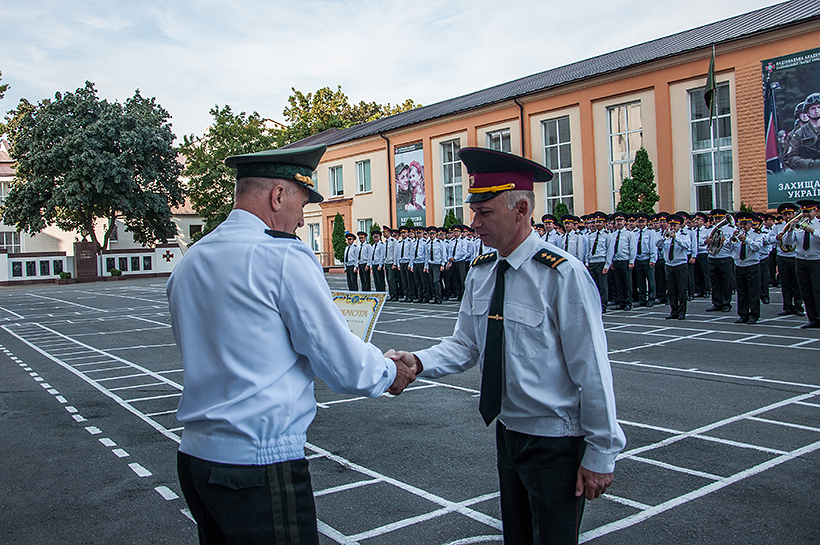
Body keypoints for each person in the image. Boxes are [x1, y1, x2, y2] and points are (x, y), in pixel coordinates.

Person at [167, 144, 416, 545]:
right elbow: (341, 363)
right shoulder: (280, 256)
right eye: (301, 204)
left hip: (196, 458)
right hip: (258, 463)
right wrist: (390, 371)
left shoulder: (192, 260)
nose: (302, 220)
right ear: (278, 195)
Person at [388, 147, 625, 545]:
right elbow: (465, 344)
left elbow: (593, 369)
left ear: (521, 210)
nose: (474, 222)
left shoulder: (561, 275)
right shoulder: (482, 272)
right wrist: (417, 362)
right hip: (508, 432)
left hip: (556, 440)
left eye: (485, 212)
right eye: (474, 211)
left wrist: (602, 451)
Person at [782, 200, 820, 328]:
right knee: (806, 291)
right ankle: (812, 319)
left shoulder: (818, 224)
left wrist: (812, 230)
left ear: (814, 211)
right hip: (801, 260)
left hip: (816, 260)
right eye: (803, 212)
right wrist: (790, 230)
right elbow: (788, 243)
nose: (806, 214)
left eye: (808, 211)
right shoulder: (798, 224)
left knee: (818, 290)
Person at [727, 212, 763, 324]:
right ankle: (743, 315)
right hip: (739, 265)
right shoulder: (736, 234)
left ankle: (754, 315)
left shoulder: (756, 234)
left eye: (745, 224)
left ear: (751, 224)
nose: (742, 227)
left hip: (752, 265)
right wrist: (731, 238)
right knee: (741, 292)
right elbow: (727, 247)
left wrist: (746, 239)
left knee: (753, 292)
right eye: (741, 224)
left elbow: (757, 247)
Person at [657, 214, 691, 320]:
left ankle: (682, 312)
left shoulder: (684, 235)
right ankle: (674, 311)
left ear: (679, 226)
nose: (672, 227)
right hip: (669, 265)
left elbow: (687, 246)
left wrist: (676, 238)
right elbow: (658, 245)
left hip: (680, 264)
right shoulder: (666, 235)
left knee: (681, 290)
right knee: (671, 290)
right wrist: (663, 237)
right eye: (671, 225)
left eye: (675, 225)